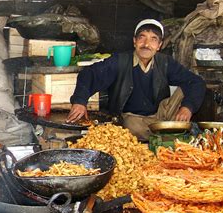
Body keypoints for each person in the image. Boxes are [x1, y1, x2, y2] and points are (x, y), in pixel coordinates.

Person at [66, 19, 206, 141]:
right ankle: (168, 134)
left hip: (160, 116)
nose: (146, 44)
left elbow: (196, 82)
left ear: (159, 45)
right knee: (133, 128)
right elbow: (89, 73)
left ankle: (167, 131)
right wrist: (80, 101)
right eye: (142, 38)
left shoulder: (165, 62)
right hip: (131, 119)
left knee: (187, 86)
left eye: (153, 39)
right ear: (134, 41)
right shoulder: (119, 61)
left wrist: (187, 107)